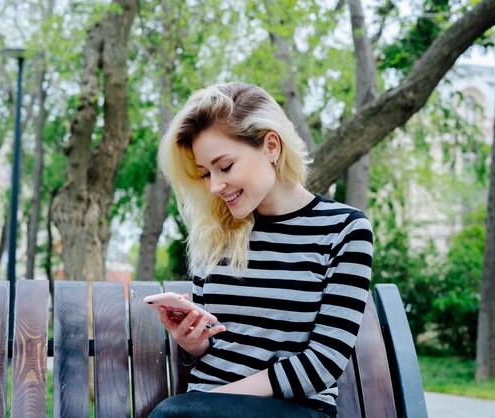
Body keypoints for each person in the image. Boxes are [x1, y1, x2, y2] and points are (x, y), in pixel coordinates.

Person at [149, 82, 373, 418]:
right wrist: (194, 343)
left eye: (224, 167)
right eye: (205, 173)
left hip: (292, 410)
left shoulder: (344, 229)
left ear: (270, 145)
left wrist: (215, 399)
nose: (214, 186)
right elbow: (217, 345)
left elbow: (324, 362)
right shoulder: (213, 232)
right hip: (200, 410)